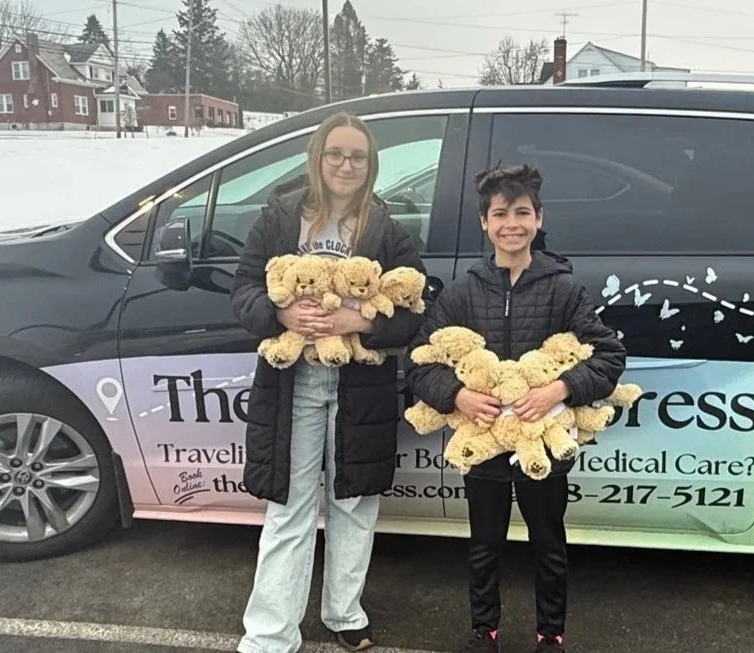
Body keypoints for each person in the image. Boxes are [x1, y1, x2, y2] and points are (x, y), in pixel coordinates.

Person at [405, 163, 627, 653]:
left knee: (548, 543)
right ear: (484, 222)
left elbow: (609, 356)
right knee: (484, 546)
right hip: (482, 444)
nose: (512, 224)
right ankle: (484, 631)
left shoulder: (564, 289)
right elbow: (419, 361)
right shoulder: (462, 292)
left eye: (522, 213)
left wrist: (560, 389)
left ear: (539, 219)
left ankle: (551, 634)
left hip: (541, 445)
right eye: (500, 214)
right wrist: (457, 395)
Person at [230, 111, 427, 653]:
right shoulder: (279, 218)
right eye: (335, 154)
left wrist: (358, 321)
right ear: (317, 157)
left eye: (357, 156)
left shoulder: (386, 228)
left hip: (359, 387)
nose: (345, 165)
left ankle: (345, 612)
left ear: (371, 165)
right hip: (290, 384)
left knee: (355, 504)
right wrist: (280, 315)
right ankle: (270, 634)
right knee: (288, 509)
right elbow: (243, 289)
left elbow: (414, 312)